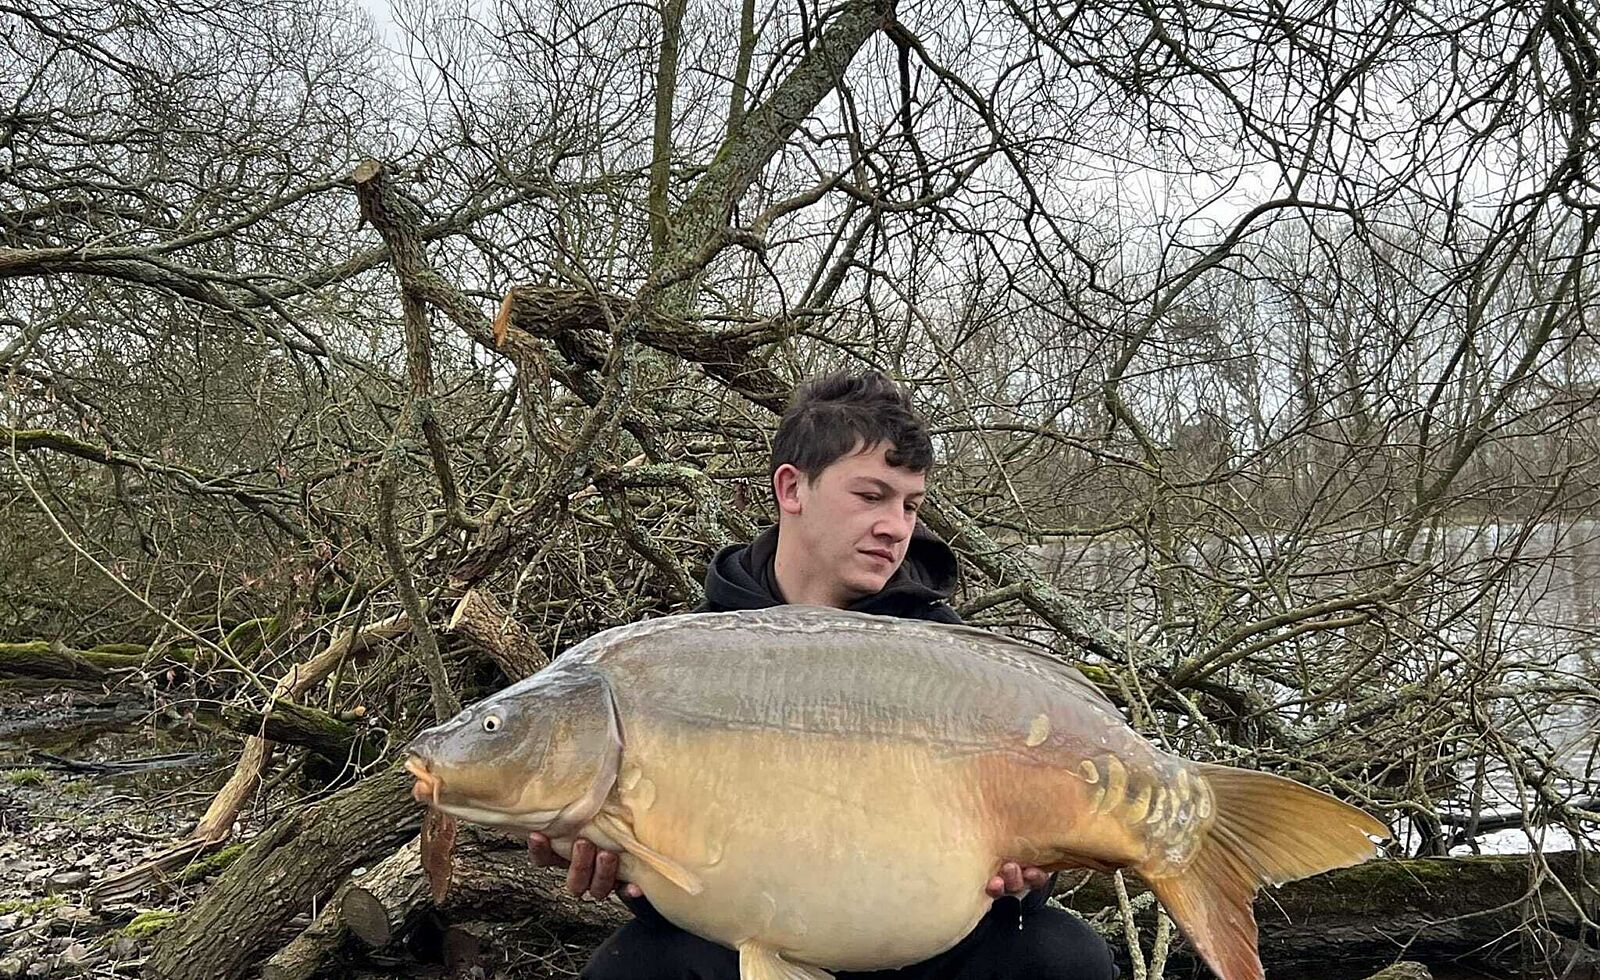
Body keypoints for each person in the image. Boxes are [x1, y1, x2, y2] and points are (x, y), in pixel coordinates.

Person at [530, 371, 1120, 980]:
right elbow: (675, 876)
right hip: (740, 940)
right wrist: (622, 869)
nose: (896, 526)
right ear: (792, 487)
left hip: (917, 945)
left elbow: (1013, 865)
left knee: (1063, 956)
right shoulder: (686, 660)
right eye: (871, 497)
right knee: (630, 970)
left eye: (910, 505)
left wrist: (1032, 874)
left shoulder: (948, 659)